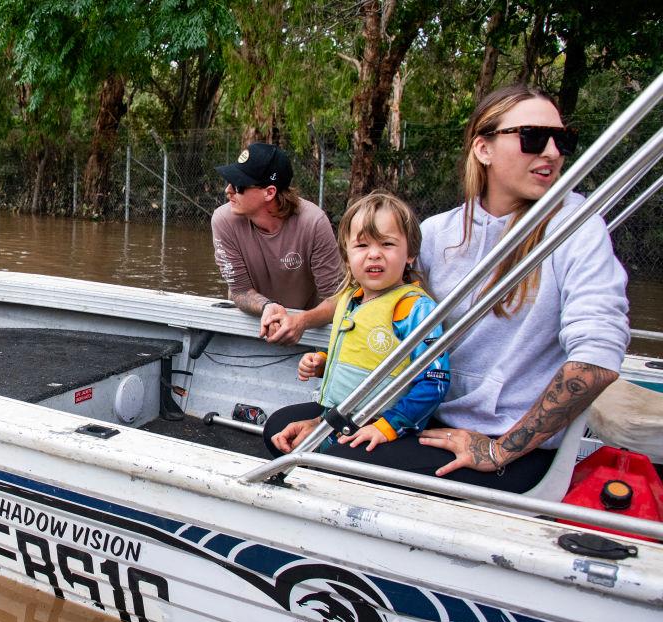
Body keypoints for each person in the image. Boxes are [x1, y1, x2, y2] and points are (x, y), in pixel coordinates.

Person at [271, 84, 629, 494]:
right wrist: (303, 321)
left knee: (307, 452)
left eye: (561, 140)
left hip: (504, 446)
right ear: (484, 148)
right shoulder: (439, 232)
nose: (550, 152)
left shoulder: (578, 230)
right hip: (428, 415)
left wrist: (500, 451)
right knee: (286, 429)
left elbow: (597, 360)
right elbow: (371, 295)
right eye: (532, 138)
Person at [266, 192, 450, 457]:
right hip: (341, 417)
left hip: (383, 424)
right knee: (278, 432)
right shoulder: (351, 299)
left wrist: (388, 426)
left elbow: (436, 380)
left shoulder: (414, 308)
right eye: (362, 246)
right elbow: (365, 356)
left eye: (387, 244)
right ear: (347, 256)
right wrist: (323, 362)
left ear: (410, 254)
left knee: (326, 457)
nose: (374, 255)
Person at [212, 143, 342, 345]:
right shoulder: (223, 220)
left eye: (238, 185)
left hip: (307, 332)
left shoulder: (314, 223)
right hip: (252, 323)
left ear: (269, 192)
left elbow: (337, 298)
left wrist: (302, 321)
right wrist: (267, 306)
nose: (228, 191)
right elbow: (239, 291)